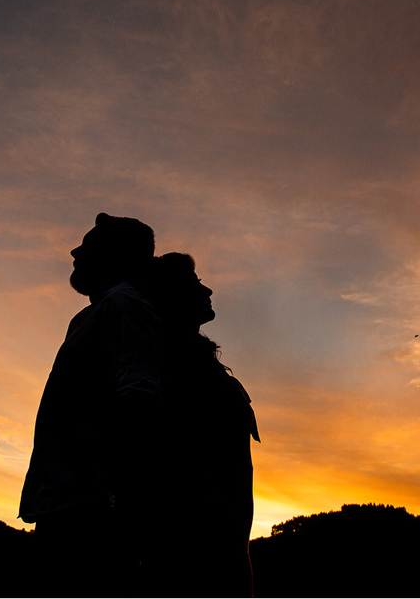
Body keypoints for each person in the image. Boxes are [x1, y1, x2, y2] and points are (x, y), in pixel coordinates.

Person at [19, 213, 164, 596]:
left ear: (116, 255)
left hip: (90, 510)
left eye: (88, 245)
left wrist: (121, 501)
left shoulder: (124, 304)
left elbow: (139, 395)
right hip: (69, 502)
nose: (74, 250)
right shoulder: (94, 313)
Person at [147, 252, 260, 598]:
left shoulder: (198, 360)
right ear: (170, 296)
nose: (208, 289)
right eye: (195, 283)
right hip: (196, 548)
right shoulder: (169, 365)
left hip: (228, 539)